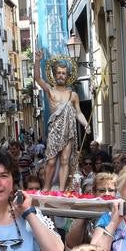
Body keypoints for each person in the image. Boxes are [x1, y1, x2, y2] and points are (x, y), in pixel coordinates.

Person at [34, 50, 91, 191]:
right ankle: (46, 188)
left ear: (68, 75)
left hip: (68, 131)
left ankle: (61, 190)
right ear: (54, 74)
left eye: (64, 73)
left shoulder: (73, 95)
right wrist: (37, 60)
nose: (61, 75)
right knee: (51, 161)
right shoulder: (50, 90)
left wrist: (86, 124)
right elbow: (37, 78)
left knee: (65, 160)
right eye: (59, 72)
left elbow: (78, 113)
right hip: (55, 131)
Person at [65, 172, 118, 251]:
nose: (107, 193)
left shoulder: (119, 213)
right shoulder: (87, 210)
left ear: (116, 192)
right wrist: (84, 214)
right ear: (94, 192)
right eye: (102, 190)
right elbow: (71, 244)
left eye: (111, 190)